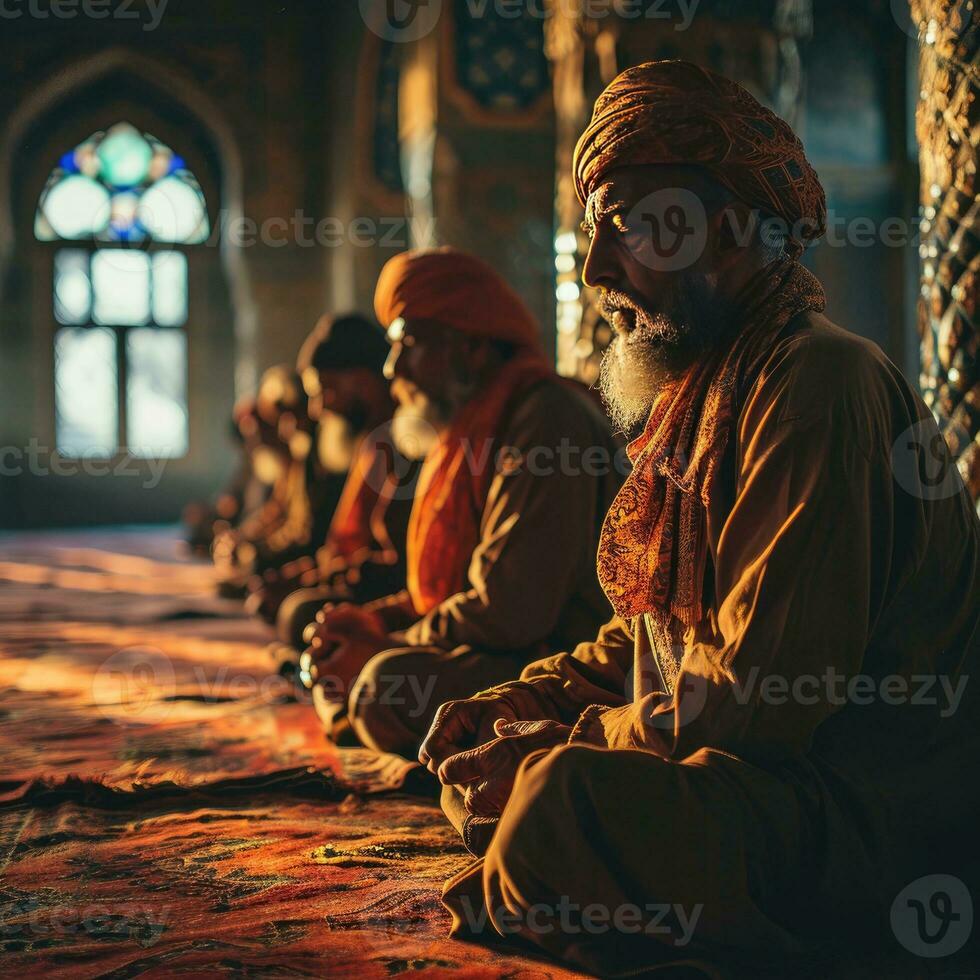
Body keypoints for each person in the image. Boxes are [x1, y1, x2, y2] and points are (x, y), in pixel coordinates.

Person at [417, 61, 980, 975]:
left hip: (859, 817)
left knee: (564, 804)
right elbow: (657, 640)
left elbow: (759, 702)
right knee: (508, 769)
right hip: (753, 777)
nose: (597, 269)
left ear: (722, 231)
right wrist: (525, 702)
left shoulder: (816, 385)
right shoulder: (709, 393)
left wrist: (566, 742)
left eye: (624, 227)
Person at [300, 247, 624, 756]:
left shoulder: (543, 422)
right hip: (497, 640)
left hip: (558, 657)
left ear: (470, 348)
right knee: (344, 644)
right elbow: (450, 590)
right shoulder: (463, 432)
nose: (391, 368)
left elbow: (511, 610)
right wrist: (378, 622)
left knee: (385, 688)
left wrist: (390, 645)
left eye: (407, 344)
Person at [247, 313, 420, 654]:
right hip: (351, 580)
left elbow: (393, 564)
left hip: (388, 594)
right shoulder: (367, 443)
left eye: (325, 391)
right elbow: (339, 544)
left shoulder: (405, 441)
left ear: (362, 381)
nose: (316, 409)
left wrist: (315, 581)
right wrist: (304, 575)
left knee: (299, 614)